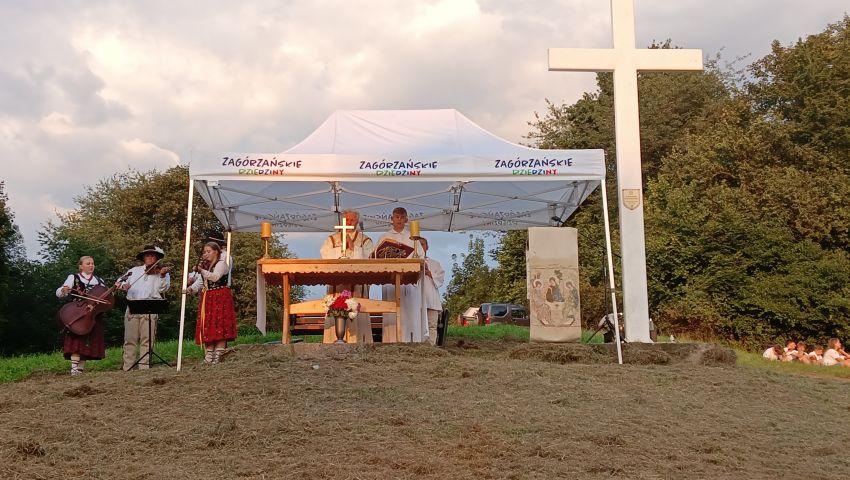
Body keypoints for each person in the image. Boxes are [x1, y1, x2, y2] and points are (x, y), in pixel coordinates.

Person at [319, 209, 374, 343]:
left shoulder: (364, 240)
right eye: (347, 220)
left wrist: (354, 248)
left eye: (352, 220)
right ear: (342, 221)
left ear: (357, 221)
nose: (349, 223)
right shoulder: (332, 239)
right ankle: (334, 339)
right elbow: (325, 256)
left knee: (358, 313)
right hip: (336, 286)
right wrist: (341, 249)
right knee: (335, 308)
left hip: (357, 286)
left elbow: (369, 259)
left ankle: (359, 343)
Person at [116, 246, 170, 371]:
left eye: (152, 255)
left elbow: (163, 289)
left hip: (151, 305)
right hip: (133, 305)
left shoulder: (162, 272)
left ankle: (144, 366)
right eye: (147, 255)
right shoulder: (134, 270)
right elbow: (120, 281)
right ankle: (128, 366)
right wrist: (123, 286)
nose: (150, 257)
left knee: (147, 339)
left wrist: (162, 276)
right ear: (144, 258)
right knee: (130, 339)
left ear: (156, 258)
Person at [376, 207, 424, 342]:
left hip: (407, 279)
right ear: (392, 219)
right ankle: (390, 339)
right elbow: (376, 257)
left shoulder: (412, 238)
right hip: (390, 280)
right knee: (391, 308)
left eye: (402, 217)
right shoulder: (384, 237)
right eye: (396, 217)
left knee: (408, 310)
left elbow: (421, 257)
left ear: (406, 220)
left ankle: (410, 339)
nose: (399, 220)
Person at [186, 241, 237, 364]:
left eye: (208, 251)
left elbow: (215, 277)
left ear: (216, 252)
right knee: (209, 324)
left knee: (220, 323)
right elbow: (201, 282)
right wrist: (191, 289)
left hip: (220, 296)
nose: (206, 254)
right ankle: (209, 354)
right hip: (208, 297)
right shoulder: (206, 267)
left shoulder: (222, 264)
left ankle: (219, 353)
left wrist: (201, 270)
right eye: (204, 252)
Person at [55, 256, 108, 375]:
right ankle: (74, 369)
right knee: (77, 340)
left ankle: (80, 370)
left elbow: (105, 295)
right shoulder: (73, 277)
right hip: (78, 314)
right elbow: (60, 292)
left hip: (93, 315)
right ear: (81, 266)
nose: (91, 265)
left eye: (92, 263)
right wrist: (64, 290)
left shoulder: (99, 280)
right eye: (88, 263)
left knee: (87, 343)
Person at [420, 238, 444, 345]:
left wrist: (429, 273)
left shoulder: (435, 263)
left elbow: (440, 279)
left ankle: (431, 346)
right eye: (418, 244)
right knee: (418, 324)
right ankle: (418, 345)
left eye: (423, 244)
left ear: (427, 247)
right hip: (417, 299)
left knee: (432, 325)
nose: (421, 246)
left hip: (431, 298)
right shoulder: (410, 263)